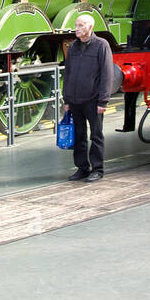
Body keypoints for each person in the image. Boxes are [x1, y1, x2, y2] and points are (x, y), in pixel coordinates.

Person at [62, 13, 113, 182]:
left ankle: (97, 169)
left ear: (90, 27)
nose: (76, 29)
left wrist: (103, 100)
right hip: (75, 100)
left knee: (96, 135)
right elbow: (68, 74)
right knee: (79, 135)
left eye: (81, 25)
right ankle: (82, 168)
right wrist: (67, 100)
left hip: (93, 100)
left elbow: (107, 74)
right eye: (76, 25)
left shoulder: (101, 45)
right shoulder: (73, 47)